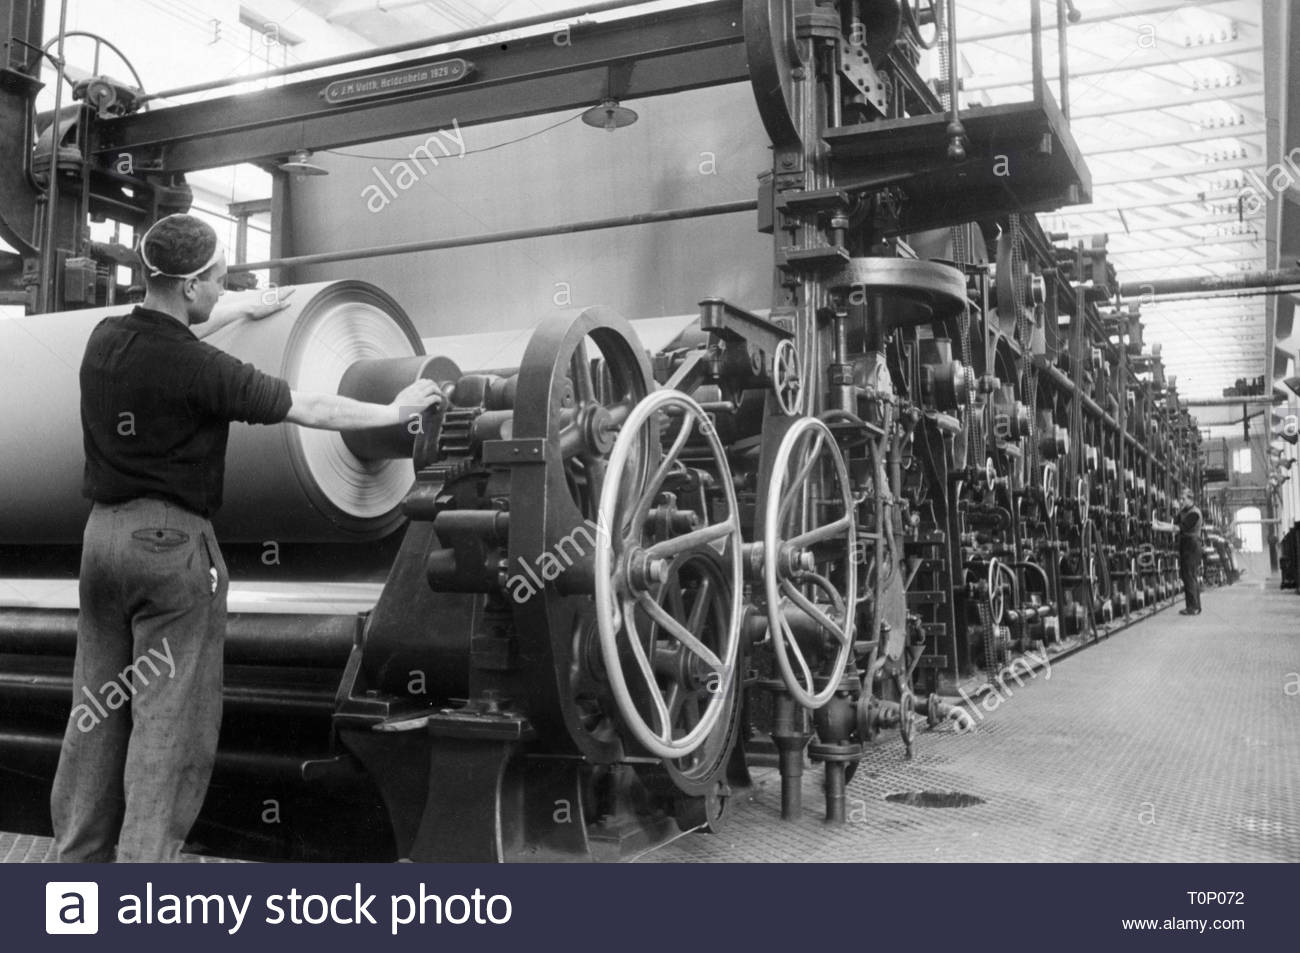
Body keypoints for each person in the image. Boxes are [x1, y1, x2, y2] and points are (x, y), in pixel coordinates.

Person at [49, 213, 442, 862]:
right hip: (170, 550)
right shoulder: (206, 370)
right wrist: (395, 411)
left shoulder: (104, 340)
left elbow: (174, 320)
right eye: (219, 276)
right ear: (192, 284)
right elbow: (311, 407)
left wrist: (245, 306)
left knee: (93, 716)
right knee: (168, 729)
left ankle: (72, 885)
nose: (224, 283)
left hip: (100, 545)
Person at [1175, 487, 1204, 615]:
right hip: (1185, 544)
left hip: (1192, 545)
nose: (1181, 501)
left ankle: (1193, 607)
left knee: (1190, 575)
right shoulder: (1183, 512)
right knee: (1188, 576)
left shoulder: (1194, 513)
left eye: (1183, 499)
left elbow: (1181, 527)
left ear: (1190, 499)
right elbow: (1174, 523)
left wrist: (1160, 527)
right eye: (1180, 498)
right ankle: (1194, 606)